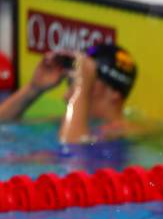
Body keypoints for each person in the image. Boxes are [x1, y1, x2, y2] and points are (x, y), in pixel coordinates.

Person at [0, 44, 138, 144]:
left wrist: (80, 88)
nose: (66, 97)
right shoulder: (62, 123)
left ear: (113, 93)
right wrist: (34, 88)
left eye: (81, 83)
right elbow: (4, 126)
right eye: (70, 83)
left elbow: (70, 149)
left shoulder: (124, 133)